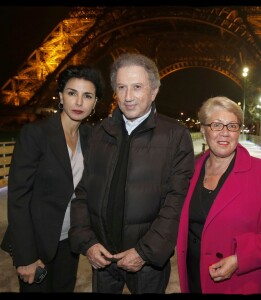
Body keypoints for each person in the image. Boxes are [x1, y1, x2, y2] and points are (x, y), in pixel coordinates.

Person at [69, 52, 195, 294]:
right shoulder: (99, 133)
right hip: (102, 256)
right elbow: (83, 193)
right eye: (121, 87)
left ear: (154, 91)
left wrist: (144, 252)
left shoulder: (176, 136)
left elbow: (175, 203)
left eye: (137, 87)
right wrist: (89, 244)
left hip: (147, 264)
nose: (128, 97)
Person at [1, 64, 104, 292]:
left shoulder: (90, 137)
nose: (79, 103)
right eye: (71, 93)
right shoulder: (35, 135)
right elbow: (18, 199)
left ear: (95, 103)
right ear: (60, 96)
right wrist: (25, 256)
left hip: (70, 241)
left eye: (87, 96)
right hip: (36, 244)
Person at [176, 96, 261, 294]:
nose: (225, 132)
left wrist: (240, 259)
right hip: (194, 277)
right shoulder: (190, 171)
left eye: (232, 125)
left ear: (239, 130)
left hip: (240, 283)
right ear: (203, 130)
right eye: (216, 125)